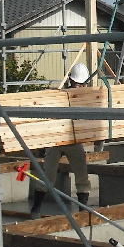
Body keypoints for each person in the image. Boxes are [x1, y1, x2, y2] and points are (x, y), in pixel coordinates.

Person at [30, 62, 94, 218]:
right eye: (77, 83)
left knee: (82, 175)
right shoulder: (60, 96)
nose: (79, 86)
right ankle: (36, 209)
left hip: (74, 140)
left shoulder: (85, 98)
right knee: (48, 175)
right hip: (57, 140)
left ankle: (83, 210)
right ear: (71, 80)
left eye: (81, 84)